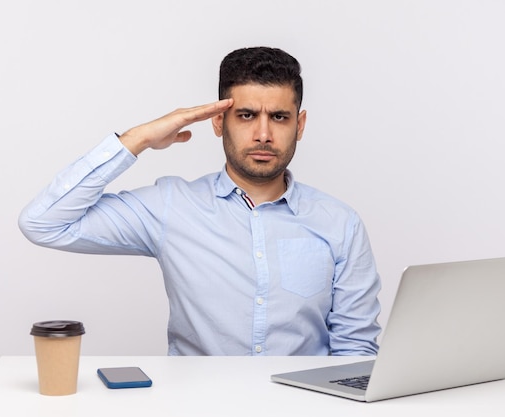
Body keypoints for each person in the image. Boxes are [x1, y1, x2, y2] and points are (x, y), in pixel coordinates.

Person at [19, 46, 381, 356]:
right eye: (246, 115)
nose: (264, 134)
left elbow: (355, 349)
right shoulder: (171, 206)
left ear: (299, 125)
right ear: (218, 121)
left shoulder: (339, 223)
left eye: (280, 117)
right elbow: (43, 223)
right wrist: (138, 138)